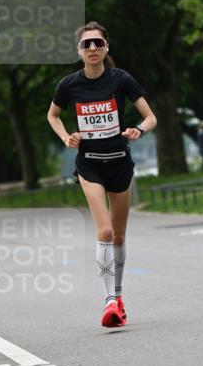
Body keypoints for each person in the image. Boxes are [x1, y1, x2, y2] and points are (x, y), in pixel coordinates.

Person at [47, 22, 157, 329]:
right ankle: (108, 301)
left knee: (119, 236)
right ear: (79, 50)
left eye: (97, 43)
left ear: (106, 47)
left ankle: (118, 298)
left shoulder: (121, 79)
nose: (93, 48)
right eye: (87, 44)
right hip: (90, 165)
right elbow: (52, 115)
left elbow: (150, 117)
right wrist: (66, 136)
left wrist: (138, 129)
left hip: (120, 163)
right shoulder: (69, 85)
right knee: (105, 231)